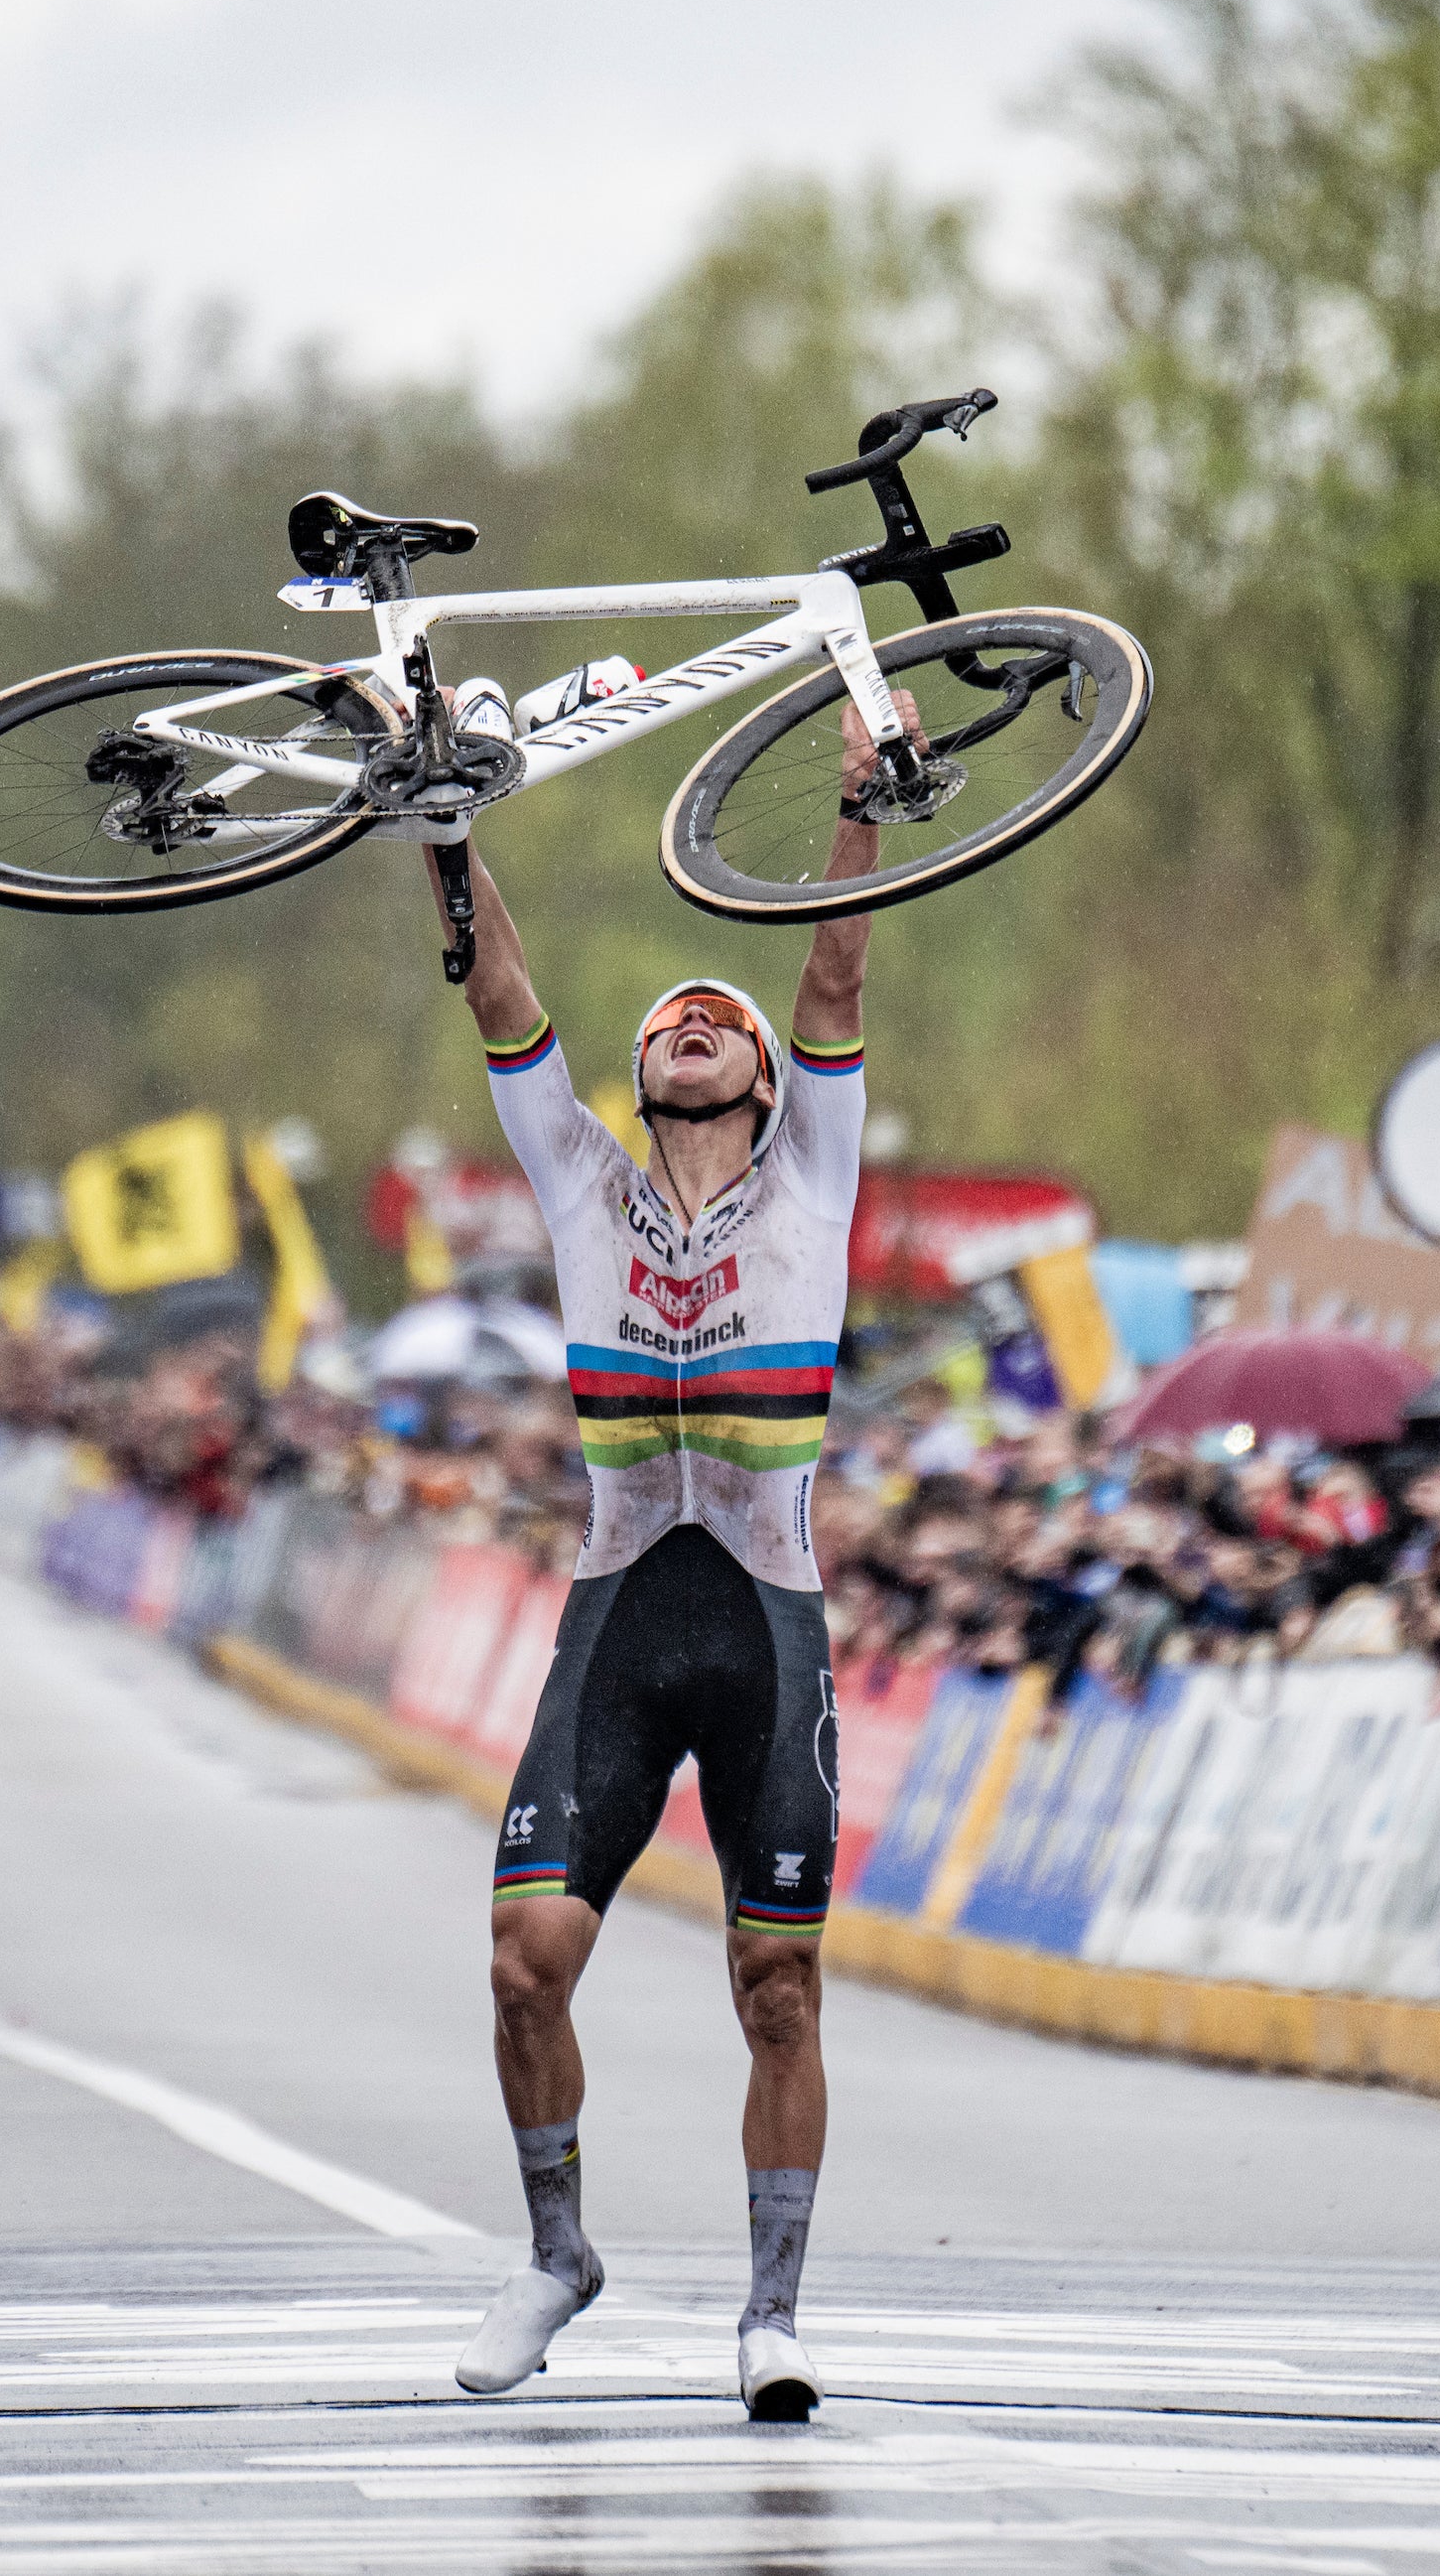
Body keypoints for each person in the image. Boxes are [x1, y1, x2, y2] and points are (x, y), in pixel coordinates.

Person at [436, 698, 907, 2426]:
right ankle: (558, 2251)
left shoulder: (816, 1180)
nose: (702, 1022)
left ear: (770, 1079)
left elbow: (838, 978)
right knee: (518, 1964)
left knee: (774, 1983)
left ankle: (771, 2315)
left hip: (767, 1624)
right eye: (672, 1019)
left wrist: (860, 803)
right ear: (644, 1078)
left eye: (728, 1016)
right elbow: (500, 997)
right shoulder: (582, 1185)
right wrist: (440, 828)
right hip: (622, 1613)